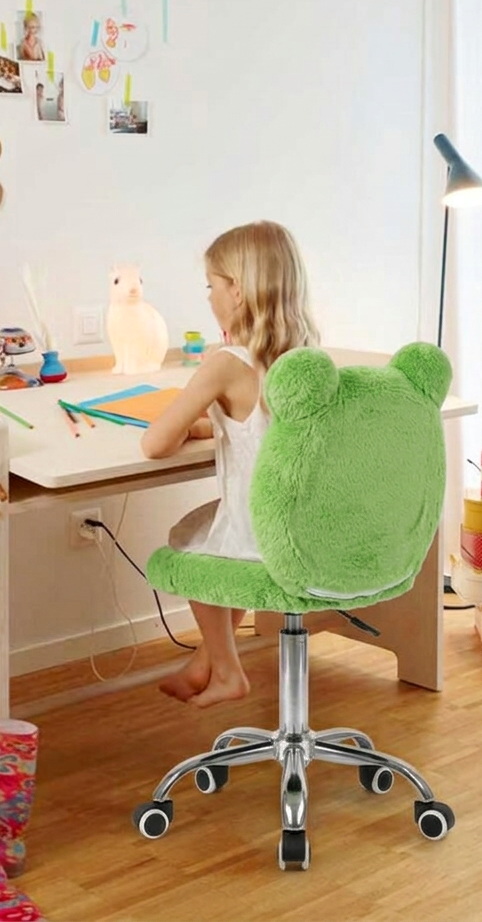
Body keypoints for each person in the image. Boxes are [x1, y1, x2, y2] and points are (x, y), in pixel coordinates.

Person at [141, 221, 319, 707]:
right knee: (223, 536)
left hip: (261, 531)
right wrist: (210, 426)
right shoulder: (305, 358)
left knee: (192, 544)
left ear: (237, 291)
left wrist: (183, 425)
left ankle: (226, 671)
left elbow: (155, 444)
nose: (209, 297)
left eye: (211, 286)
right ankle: (204, 661)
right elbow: (261, 425)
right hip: (309, 528)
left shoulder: (225, 363)